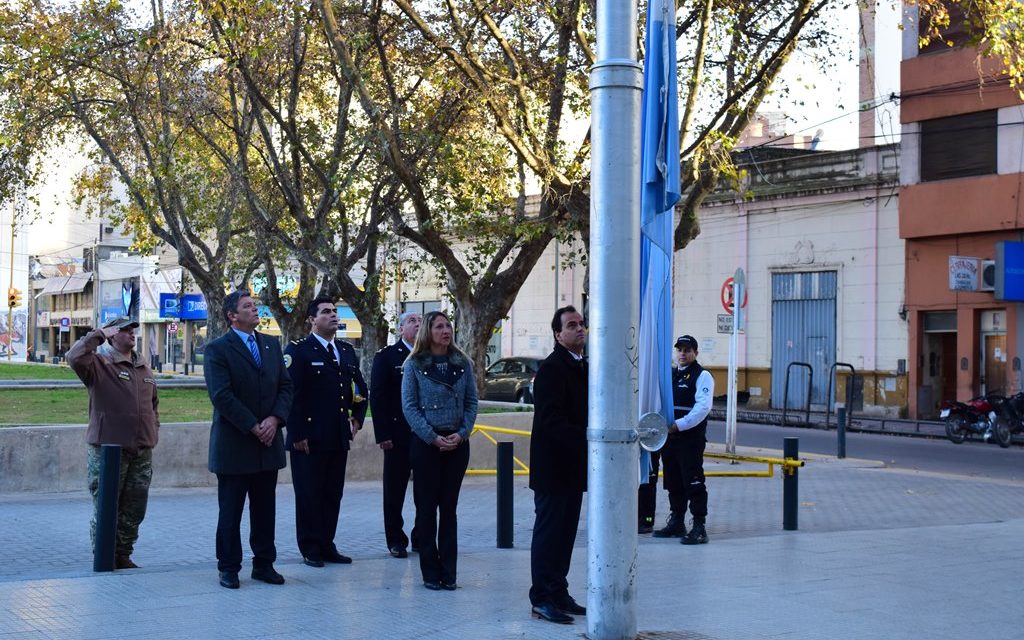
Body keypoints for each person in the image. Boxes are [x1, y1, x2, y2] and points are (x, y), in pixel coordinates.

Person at [204, 290, 294, 589]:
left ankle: (264, 564)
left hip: (267, 445)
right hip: (235, 445)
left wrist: (274, 420)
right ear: (232, 315)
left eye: (254, 305)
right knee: (230, 512)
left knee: (265, 511)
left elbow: (285, 387)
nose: (255, 310)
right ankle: (228, 567)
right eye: (247, 306)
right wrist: (254, 426)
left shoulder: (270, 344)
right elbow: (221, 396)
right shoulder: (218, 349)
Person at [67, 316, 158, 570]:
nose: (132, 334)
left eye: (133, 330)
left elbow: (153, 405)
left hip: (141, 450)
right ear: (112, 334)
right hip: (108, 451)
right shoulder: (98, 364)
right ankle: (104, 557)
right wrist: (98, 334)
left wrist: (154, 430)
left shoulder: (143, 367)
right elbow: (74, 356)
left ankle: (123, 554)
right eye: (125, 330)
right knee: (107, 506)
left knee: (134, 509)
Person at [284, 296, 367, 567]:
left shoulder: (345, 350)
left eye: (335, 311)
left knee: (333, 493)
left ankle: (327, 543)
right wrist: (296, 434)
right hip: (309, 436)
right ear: (312, 319)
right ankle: (310, 547)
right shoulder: (298, 351)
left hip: (337, 435)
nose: (333, 315)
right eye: (326, 312)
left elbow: (359, 388)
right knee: (309, 494)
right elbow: (291, 395)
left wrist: (357, 417)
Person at [401, 311, 477, 591]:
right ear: (428, 333)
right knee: (426, 508)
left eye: (448, 326)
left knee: (449, 508)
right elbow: (409, 406)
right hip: (426, 445)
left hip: (457, 444)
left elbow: (471, 403)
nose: (446, 331)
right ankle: (430, 572)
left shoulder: (462, 362)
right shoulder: (414, 365)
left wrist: (462, 432)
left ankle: (450, 571)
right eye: (439, 326)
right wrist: (432, 437)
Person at [528, 305, 588, 625]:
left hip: (573, 467)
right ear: (557, 334)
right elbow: (551, 420)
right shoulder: (552, 368)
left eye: (581, 324)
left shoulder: (582, 365)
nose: (579, 329)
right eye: (571, 325)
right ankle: (541, 598)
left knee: (566, 534)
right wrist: (587, 438)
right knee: (549, 534)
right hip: (553, 467)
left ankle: (559, 591)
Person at [653, 335, 714, 544]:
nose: (682, 354)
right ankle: (677, 521)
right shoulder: (671, 375)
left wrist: (679, 425)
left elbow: (703, 408)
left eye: (687, 350)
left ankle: (699, 526)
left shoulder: (702, 375)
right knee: (673, 481)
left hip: (689, 438)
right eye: (679, 349)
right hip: (670, 439)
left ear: (695, 353)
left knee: (693, 481)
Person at [370, 311, 422, 558]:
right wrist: (383, 434)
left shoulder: (430, 356)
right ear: (401, 329)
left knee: (425, 491)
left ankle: (422, 537)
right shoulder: (387, 357)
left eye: (421, 321)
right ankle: (396, 540)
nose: (418, 324)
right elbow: (378, 397)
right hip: (397, 434)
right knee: (394, 492)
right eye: (412, 321)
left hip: (425, 435)